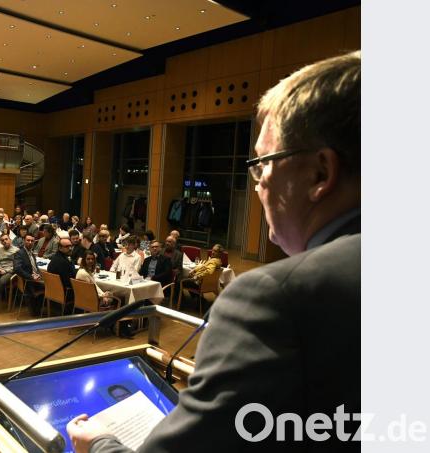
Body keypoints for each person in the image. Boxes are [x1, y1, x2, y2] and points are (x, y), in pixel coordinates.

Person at [69, 51, 361, 452]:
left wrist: (98, 443)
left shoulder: (275, 299)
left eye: (264, 164)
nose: (258, 185)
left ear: (320, 174)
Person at [13, 234, 44, 316]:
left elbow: (35, 267)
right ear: (24, 241)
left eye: (32, 241)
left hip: (34, 279)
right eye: (28, 240)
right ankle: (37, 311)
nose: (30, 242)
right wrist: (31, 277)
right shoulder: (20, 253)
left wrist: (39, 274)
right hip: (28, 282)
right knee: (50, 286)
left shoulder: (31, 253)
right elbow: (17, 269)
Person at [47, 238, 76, 307]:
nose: (70, 248)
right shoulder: (63, 262)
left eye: (71, 246)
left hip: (53, 291)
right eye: (67, 247)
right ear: (60, 248)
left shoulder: (56, 257)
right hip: (64, 293)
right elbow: (69, 282)